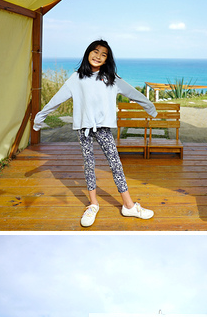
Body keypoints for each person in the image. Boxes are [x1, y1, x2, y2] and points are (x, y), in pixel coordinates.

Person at [33, 39, 157, 227]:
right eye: (95, 51)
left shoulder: (111, 78)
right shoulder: (76, 78)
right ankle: (93, 204)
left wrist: (150, 107)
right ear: (88, 52)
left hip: (103, 128)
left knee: (115, 164)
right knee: (88, 164)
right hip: (84, 128)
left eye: (104, 54)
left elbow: (132, 93)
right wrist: (40, 117)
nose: (98, 56)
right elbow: (57, 99)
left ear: (107, 59)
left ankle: (129, 205)